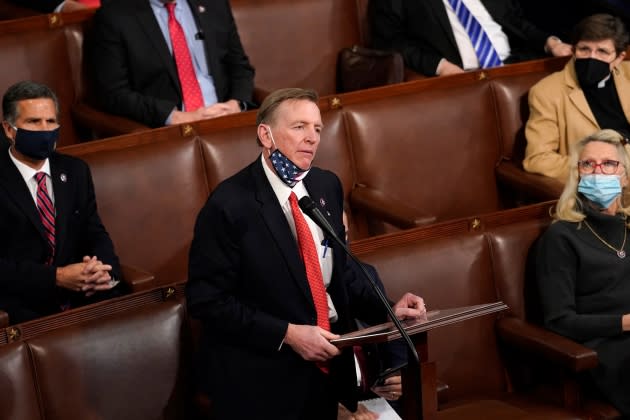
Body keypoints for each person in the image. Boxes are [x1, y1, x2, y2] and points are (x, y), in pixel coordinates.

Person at [186, 87, 426, 420]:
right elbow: (207, 301)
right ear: (265, 135)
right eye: (299, 127)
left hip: (330, 362)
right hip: (263, 371)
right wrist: (289, 334)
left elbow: (342, 274)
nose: (312, 138)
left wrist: (387, 310)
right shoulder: (229, 205)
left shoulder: (326, 186)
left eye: (317, 129)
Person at [0, 81, 123, 324]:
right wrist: (56, 277)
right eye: (34, 122)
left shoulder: (75, 171)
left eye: (51, 121)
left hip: (81, 294)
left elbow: (94, 232)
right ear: (9, 129)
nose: (45, 130)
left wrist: (102, 270)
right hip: (21, 306)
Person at [536, 129, 630, 416]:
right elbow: (559, 321)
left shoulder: (627, 228)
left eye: (609, 164)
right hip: (603, 351)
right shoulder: (560, 238)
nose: (598, 172)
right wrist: (624, 323)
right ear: (577, 175)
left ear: (624, 176)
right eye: (588, 164)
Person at [89, 0, 255, 128]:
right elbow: (113, 94)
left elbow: (240, 67)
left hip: (226, 118)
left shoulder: (213, 4)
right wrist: (172, 116)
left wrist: (236, 104)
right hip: (169, 130)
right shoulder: (115, 17)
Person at [523, 14, 630, 182]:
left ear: (619, 58)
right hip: (600, 187)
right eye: (584, 49)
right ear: (573, 50)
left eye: (602, 51)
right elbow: (537, 159)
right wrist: (600, 171)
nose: (591, 58)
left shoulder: (628, 75)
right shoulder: (546, 92)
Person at [369, 0, 572, 77]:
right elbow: (391, 41)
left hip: (515, 65)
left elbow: (515, 22)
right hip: (462, 75)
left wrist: (551, 42)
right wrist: (440, 66)